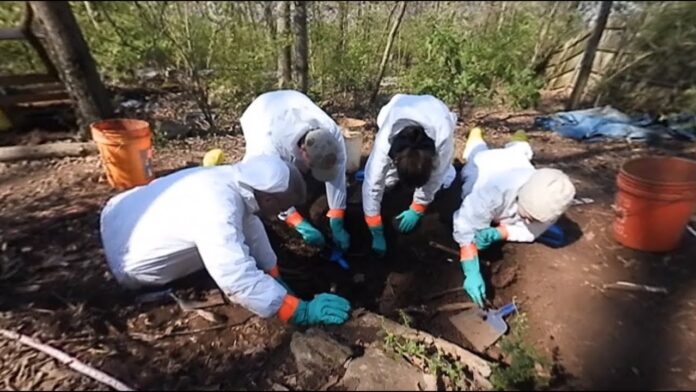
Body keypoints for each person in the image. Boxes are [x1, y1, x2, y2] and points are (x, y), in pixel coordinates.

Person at [99, 154, 352, 326]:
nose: (278, 215)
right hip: (130, 264)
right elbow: (236, 278)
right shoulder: (217, 208)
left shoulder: (228, 179)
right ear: (268, 199)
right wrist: (300, 312)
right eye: (280, 208)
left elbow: (250, 224)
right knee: (222, 254)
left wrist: (273, 273)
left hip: (116, 212)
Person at [453, 128, 576, 307]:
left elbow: (531, 232)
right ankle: (477, 136)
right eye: (526, 216)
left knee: (520, 152)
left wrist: (499, 233)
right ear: (520, 197)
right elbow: (465, 227)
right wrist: (471, 272)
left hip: (517, 161)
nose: (527, 222)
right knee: (476, 155)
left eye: (533, 219)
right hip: (486, 165)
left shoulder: (550, 205)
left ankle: (519, 139)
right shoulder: (490, 192)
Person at [239, 90, 351, 252]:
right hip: (260, 113)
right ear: (303, 151)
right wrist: (297, 221)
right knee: (270, 186)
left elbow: (337, 170)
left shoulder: (331, 133)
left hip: (294, 100)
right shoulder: (267, 149)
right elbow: (270, 191)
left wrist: (337, 215)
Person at [362, 93, 457, 256]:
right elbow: (372, 185)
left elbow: (436, 176)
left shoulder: (443, 138)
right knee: (386, 181)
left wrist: (418, 207)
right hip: (396, 107)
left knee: (447, 177)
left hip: (436, 111)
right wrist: (375, 229)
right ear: (396, 160)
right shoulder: (385, 143)